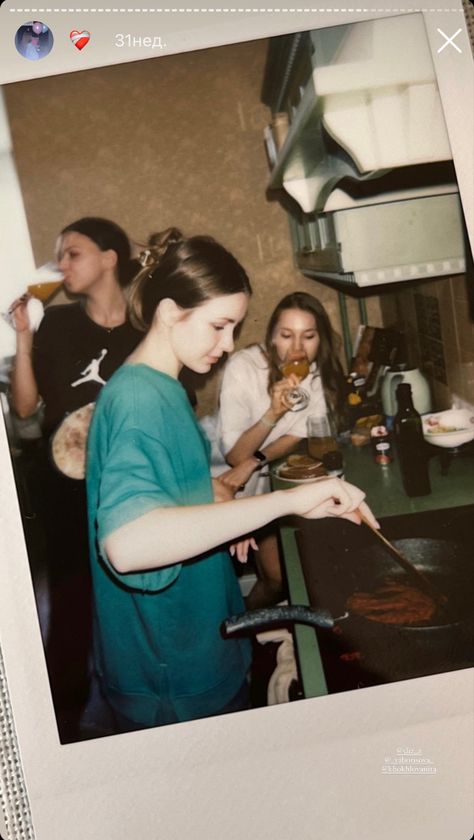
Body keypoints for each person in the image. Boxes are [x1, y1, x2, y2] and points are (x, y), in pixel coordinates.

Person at [86, 231, 377, 732]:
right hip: (171, 679)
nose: (227, 345)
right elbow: (128, 546)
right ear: (170, 311)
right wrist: (291, 502)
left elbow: (173, 491)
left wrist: (217, 509)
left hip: (196, 647)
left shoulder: (166, 387)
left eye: (235, 328)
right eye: (219, 326)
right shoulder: (137, 400)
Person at [8, 217, 144, 741]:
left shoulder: (144, 327)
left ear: (110, 258)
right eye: (59, 255)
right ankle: (61, 727)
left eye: (74, 253)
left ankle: (133, 706)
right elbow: (25, 407)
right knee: (70, 603)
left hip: (127, 480)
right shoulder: (58, 323)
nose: (61, 265)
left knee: (127, 589)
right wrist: (23, 338)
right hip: (64, 482)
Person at [216, 292, 347, 609]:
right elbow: (234, 455)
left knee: (278, 577)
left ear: (321, 340)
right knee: (222, 584)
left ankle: (248, 626)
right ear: (272, 338)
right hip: (219, 482)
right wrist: (272, 413)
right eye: (287, 336)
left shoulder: (315, 377)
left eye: (309, 336)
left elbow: (296, 434)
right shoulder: (244, 368)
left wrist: (257, 460)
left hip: (262, 477)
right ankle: (238, 631)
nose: (298, 349)